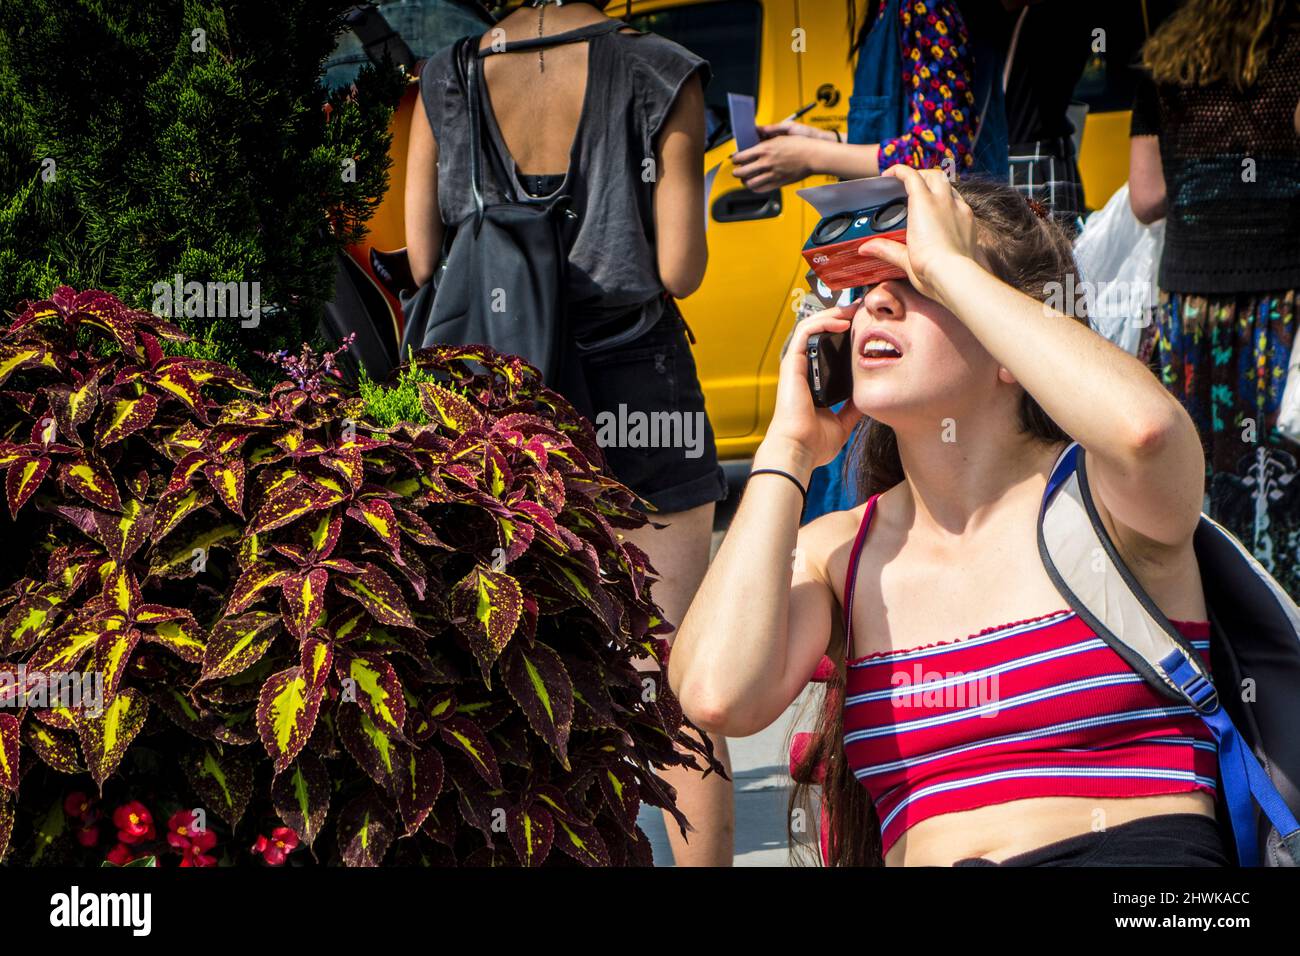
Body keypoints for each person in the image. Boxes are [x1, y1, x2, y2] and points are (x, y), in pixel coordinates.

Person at [667, 167, 1229, 867]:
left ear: (1009, 341)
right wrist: (788, 448)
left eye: (917, 284)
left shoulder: (1106, 498)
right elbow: (714, 695)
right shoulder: (839, 549)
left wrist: (951, 267)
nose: (876, 304)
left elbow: (1147, 431)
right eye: (866, 290)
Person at [404, 0, 733, 865]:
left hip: (500, 401)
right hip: (638, 388)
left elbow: (427, 265)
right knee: (676, 664)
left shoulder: (446, 77)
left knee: (521, 664)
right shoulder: (661, 69)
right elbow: (679, 268)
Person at [1128, 0, 1300, 599]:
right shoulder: (1294, 41)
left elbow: (1145, 196)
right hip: (1280, 302)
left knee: (1197, 476)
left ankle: (1209, 624)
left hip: (1189, 306)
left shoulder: (1163, 54)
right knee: (1279, 482)